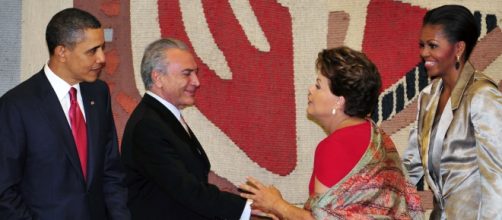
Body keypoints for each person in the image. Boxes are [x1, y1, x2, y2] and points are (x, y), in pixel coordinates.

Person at [239, 46, 423, 219]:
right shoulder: (375, 135)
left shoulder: (335, 145)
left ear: (339, 101)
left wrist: (277, 205)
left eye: (318, 86)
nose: (310, 90)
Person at [0, 8, 130, 220]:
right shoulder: (16, 106)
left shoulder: (99, 93)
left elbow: (111, 170)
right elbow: (4, 189)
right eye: (92, 51)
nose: (102, 58)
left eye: (102, 49)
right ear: (62, 52)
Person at [121, 38, 249, 219]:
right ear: (158, 77)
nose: (196, 82)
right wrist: (252, 208)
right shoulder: (148, 125)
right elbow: (187, 189)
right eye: (187, 73)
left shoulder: (162, 118)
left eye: (196, 73)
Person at [402, 4, 502, 220]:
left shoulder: (482, 96)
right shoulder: (427, 97)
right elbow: (410, 167)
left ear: (458, 48)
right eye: (422, 45)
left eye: (433, 46)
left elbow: (498, 181)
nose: (423, 53)